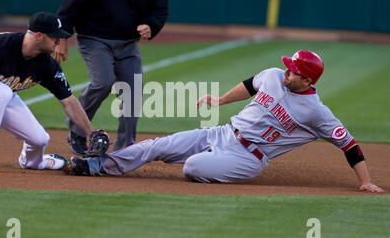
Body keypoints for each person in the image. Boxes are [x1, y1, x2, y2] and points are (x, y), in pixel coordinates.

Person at [64, 50, 385, 193]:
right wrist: (219, 101)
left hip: (248, 157)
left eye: (293, 71)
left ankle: (207, 162)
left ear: (306, 79)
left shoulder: (317, 112)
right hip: (222, 133)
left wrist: (363, 181)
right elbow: (249, 85)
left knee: (192, 168)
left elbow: (350, 144)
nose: (286, 71)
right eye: (287, 68)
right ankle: (97, 166)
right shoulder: (274, 76)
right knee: (158, 145)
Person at [0, 12, 94, 171]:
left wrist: (91, 134)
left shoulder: (46, 65)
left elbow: (69, 102)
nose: (59, 41)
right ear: (38, 35)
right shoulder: (0, 44)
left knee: (39, 139)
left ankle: (35, 162)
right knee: (2, 92)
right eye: (54, 36)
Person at [54, 0, 169, 155]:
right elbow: (69, 6)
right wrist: (62, 39)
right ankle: (78, 130)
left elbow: (159, 8)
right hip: (94, 39)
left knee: (132, 93)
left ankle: (124, 149)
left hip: (128, 44)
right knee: (103, 81)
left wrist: (151, 25)